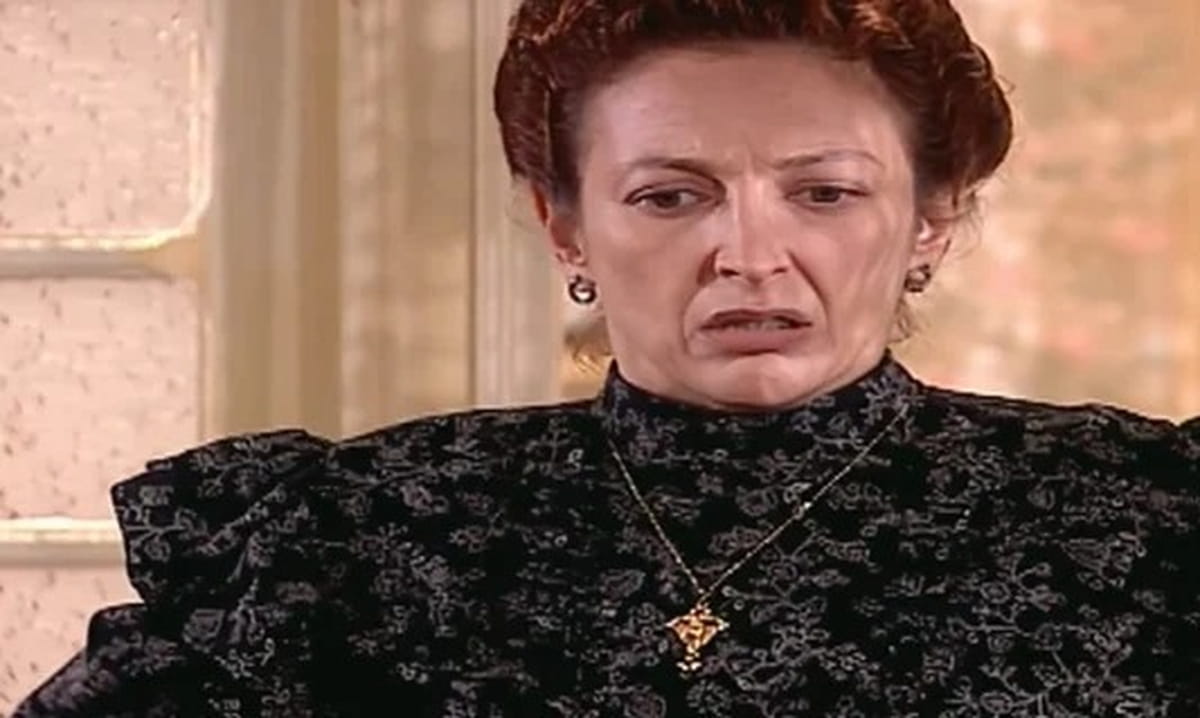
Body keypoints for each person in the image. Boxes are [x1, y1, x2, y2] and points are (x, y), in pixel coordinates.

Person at [15, 0, 1199, 715]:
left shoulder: (1145, 523)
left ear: (931, 216)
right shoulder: (347, 539)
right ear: (565, 224)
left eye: (825, 192)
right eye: (671, 195)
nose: (750, 254)